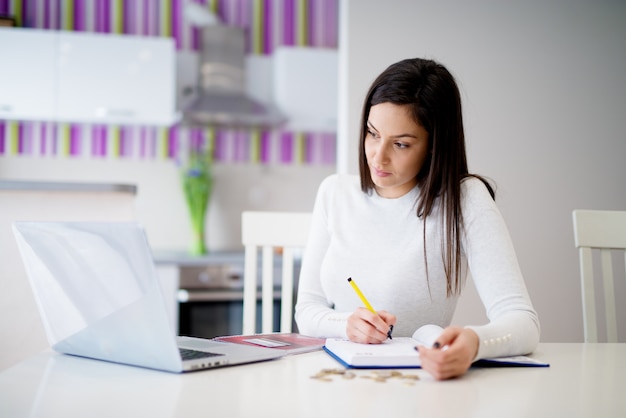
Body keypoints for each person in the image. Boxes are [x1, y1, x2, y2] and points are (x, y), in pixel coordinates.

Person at [294, 57, 540, 380]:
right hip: (332, 379)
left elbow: (523, 322)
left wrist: (475, 342)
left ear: (434, 146)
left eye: (401, 144)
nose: (377, 156)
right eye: (372, 133)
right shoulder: (334, 193)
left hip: (417, 385)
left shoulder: (463, 200)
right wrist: (346, 325)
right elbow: (306, 312)